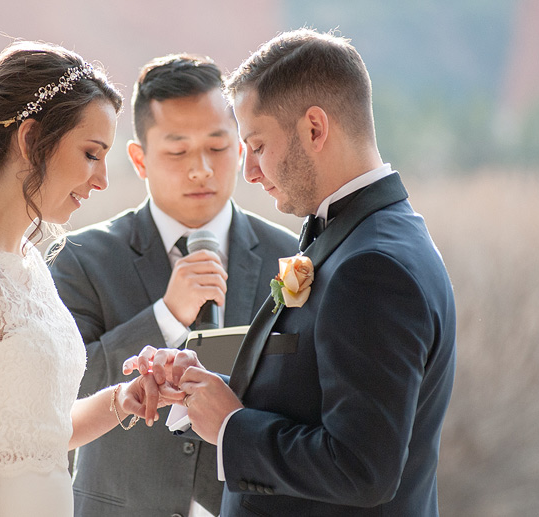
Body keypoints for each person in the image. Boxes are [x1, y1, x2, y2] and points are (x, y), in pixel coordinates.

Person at [127, 29, 457, 516]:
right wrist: (208, 389)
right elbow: (317, 398)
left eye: (257, 145)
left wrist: (231, 427)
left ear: (315, 129)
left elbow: (363, 469)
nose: (251, 171)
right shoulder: (358, 234)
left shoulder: (374, 267)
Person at [0, 41, 181, 517]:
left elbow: (39, 435)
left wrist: (122, 399)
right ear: (30, 139)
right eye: (91, 153)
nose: (103, 179)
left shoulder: (27, 261)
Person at [48, 54, 299, 517]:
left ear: (242, 148)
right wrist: (166, 316)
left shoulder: (289, 256)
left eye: (218, 146)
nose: (200, 168)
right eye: (178, 151)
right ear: (140, 159)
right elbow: (61, 395)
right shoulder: (81, 258)